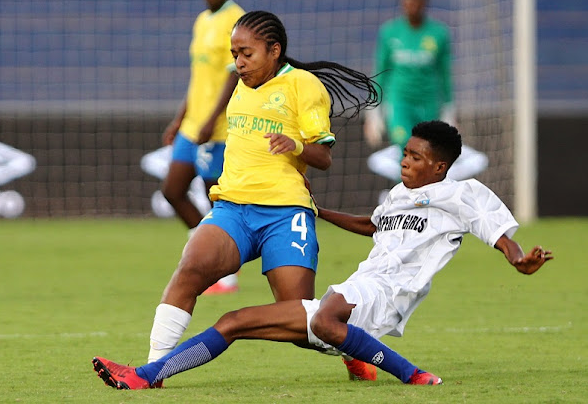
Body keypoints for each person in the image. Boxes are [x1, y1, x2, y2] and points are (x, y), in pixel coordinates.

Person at [94, 120, 553, 389]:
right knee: (236, 323)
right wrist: (316, 210)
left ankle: (145, 376)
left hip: (387, 292)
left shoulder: (461, 193)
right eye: (404, 155)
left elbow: (495, 228)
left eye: (414, 158)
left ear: (439, 166)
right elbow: (370, 226)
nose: (404, 163)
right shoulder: (397, 196)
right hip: (361, 285)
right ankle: (364, 358)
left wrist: (516, 257)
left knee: (300, 320)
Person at [145, 10, 379, 370]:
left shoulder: (303, 85)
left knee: (301, 323)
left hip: (285, 214)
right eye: (234, 53)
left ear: (274, 50)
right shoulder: (240, 87)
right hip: (233, 208)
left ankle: (350, 346)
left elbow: (324, 157)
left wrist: (295, 145)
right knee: (189, 269)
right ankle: (152, 370)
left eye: (246, 53)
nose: (238, 62)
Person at [160, 0, 245, 295]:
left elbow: (233, 75)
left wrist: (212, 119)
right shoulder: (201, 20)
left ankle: (225, 272)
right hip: (192, 125)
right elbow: (200, 77)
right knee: (173, 191)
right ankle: (205, 257)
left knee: (217, 200)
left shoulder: (236, 20)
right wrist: (180, 118)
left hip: (218, 128)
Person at [364, 0, 453, 151]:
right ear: (402, 3)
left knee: (427, 148)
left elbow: (445, 74)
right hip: (399, 101)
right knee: (405, 144)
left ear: (425, 3)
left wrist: (449, 108)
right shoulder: (390, 32)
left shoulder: (439, 33)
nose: (412, 4)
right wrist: (373, 111)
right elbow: (380, 71)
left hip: (429, 101)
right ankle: (405, 178)